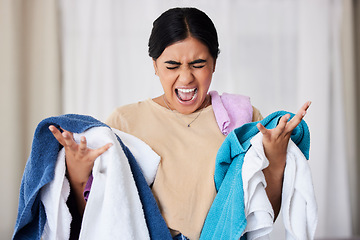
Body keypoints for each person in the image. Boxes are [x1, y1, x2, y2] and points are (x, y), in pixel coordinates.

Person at [49, 7, 310, 240]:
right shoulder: (123, 122)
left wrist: (275, 159)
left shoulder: (244, 119)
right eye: (172, 65)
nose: (186, 78)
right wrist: (77, 172)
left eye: (198, 64)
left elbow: (261, 216)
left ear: (214, 64)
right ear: (155, 65)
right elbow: (98, 218)